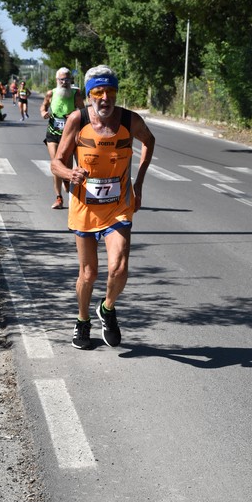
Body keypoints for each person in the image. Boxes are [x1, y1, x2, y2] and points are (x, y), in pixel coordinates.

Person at [51, 65, 155, 350]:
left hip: (118, 206)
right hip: (85, 207)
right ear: (88, 95)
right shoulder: (77, 119)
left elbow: (149, 141)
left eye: (110, 91)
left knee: (119, 267)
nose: (105, 98)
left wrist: (139, 183)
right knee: (88, 274)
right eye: (98, 92)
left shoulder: (130, 120)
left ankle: (107, 308)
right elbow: (56, 162)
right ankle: (82, 320)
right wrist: (69, 174)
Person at [40, 67, 85, 209]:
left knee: (68, 166)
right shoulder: (51, 93)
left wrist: (74, 116)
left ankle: (67, 180)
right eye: (62, 79)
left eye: (67, 79)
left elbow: (83, 112)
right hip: (53, 133)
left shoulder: (75, 94)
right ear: (57, 80)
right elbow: (43, 106)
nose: (64, 82)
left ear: (70, 80)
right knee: (56, 164)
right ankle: (59, 198)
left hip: (69, 135)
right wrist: (43, 113)